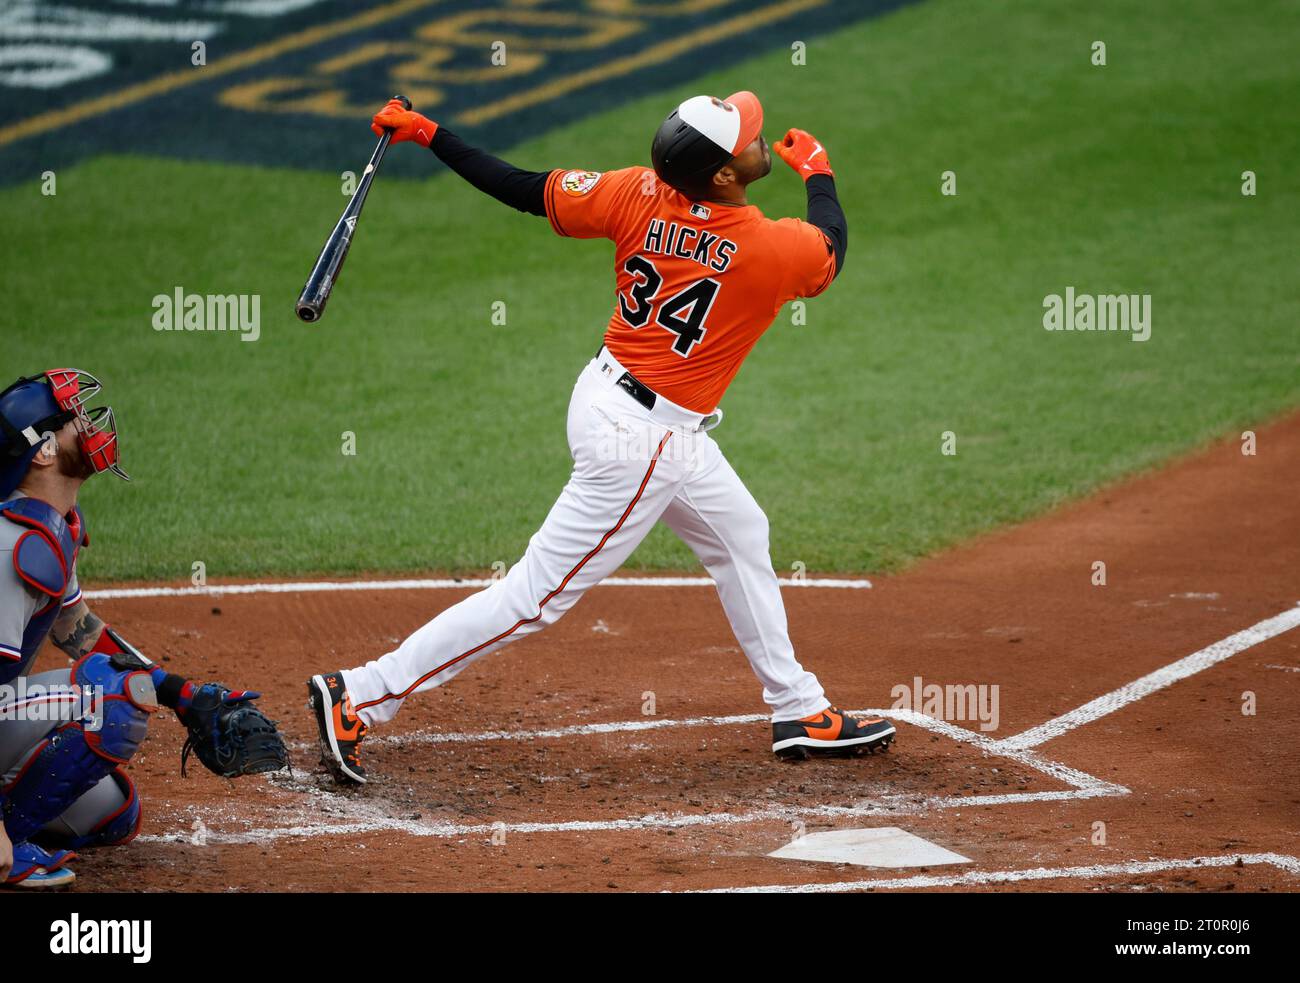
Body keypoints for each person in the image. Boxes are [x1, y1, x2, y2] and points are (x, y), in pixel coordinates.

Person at [308, 92, 895, 785]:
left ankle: (799, 708)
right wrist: (819, 173)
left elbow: (522, 189)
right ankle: (362, 693)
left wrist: (429, 132)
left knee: (741, 533)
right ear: (726, 177)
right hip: (643, 444)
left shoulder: (634, 193)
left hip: (606, 396)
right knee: (533, 596)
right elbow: (831, 246)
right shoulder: (768, 249)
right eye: (751, 140)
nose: (760, 139)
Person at [0, 369, 286, 888]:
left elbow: (78, 629)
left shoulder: (53, 524)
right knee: (111, 699)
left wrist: (180, 694)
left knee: (114, 815)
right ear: (41, 451)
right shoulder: (10, 548)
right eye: (72, 419)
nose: (89, 425)